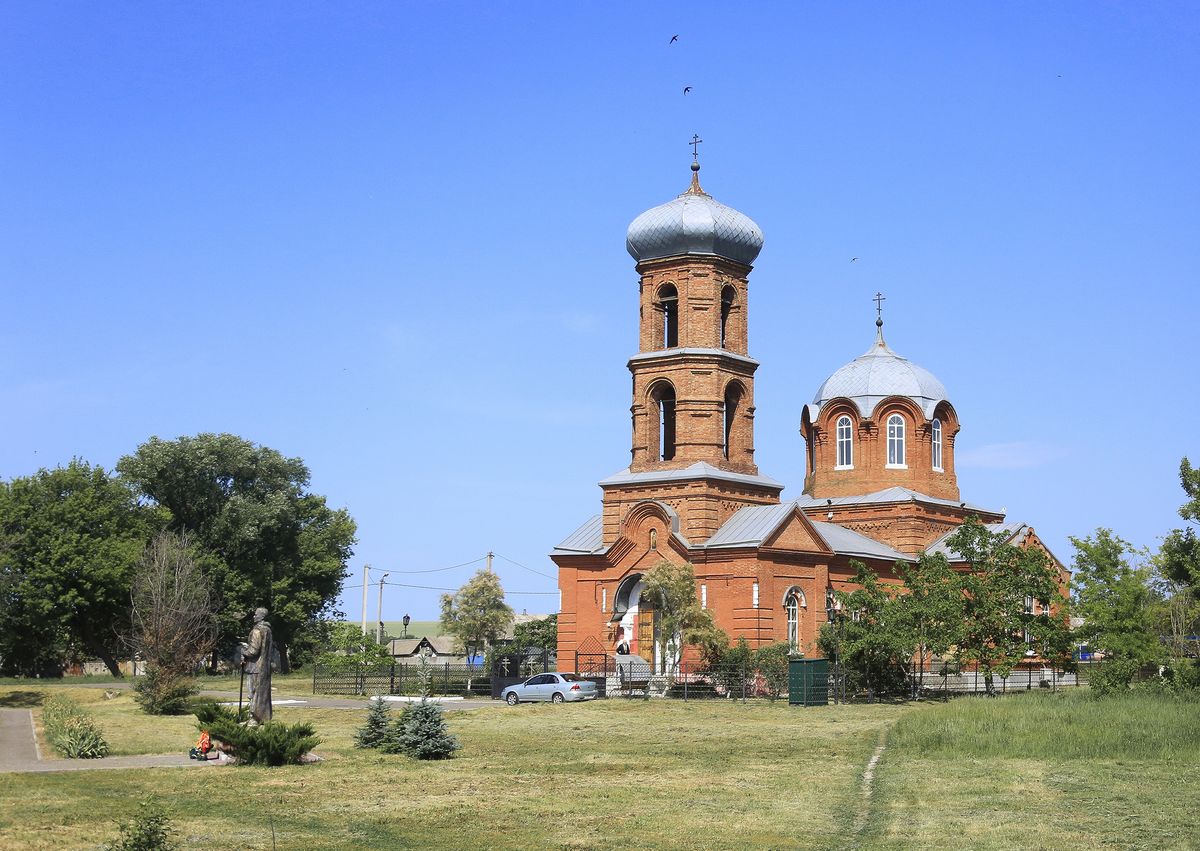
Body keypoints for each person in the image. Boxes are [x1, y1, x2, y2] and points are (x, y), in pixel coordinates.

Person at [240, 607, 274, 724]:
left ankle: (254, 718)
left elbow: (253, 650)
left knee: (253, 693)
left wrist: (244, 651)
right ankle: (262, 717)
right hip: (265, 667)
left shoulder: (257, 631)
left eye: (255, 615)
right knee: (262, 693)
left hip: (255, 667)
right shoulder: (268, 631)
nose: (253, 616)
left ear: (261, 616)